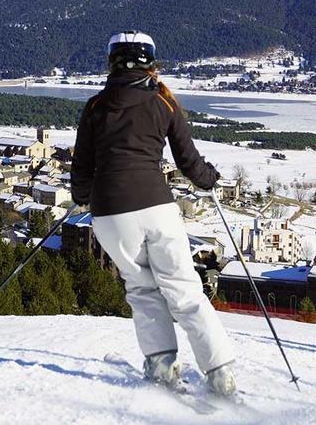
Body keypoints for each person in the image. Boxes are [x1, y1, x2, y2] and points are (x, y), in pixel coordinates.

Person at [71, 30, 236, 395]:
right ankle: (220, 374)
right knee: (185, 291)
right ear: (152, 62)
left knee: (144, 291)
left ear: (111, 61)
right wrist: (209, 180)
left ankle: (161, 368)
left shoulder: (96, 107)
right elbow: (189, 162)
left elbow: (81, 168)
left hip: (111, 215)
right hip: (157, 208)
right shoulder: (164, 103)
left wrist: (82, 196)